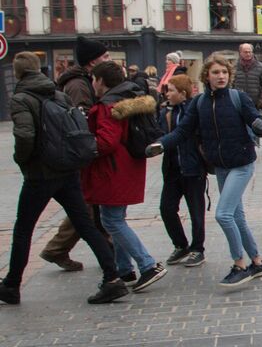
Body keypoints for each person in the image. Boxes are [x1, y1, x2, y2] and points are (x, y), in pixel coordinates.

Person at [1, 51, 129, 305]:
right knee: (85, 224)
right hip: (67, 169)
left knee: (24, 229)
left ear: (17, 73)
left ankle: (12, 285)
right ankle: (113, 277)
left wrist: (22, 159)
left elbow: (25, 136)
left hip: (41, 173)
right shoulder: (57, 93)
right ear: (38, 69)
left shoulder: (22, 98)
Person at [151, 53, 262, 290]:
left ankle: (239, 265)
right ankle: (257, 262)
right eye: (216, 73)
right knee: (237, 216)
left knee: (223, 215)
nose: (221, 76)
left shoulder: (238, 97)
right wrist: (162, 144)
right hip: (221, 166)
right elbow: (183, 131)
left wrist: (260, 125)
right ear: (207, 76)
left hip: (242, 164)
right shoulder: (200, 103)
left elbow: (256, 119)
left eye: (224, 72)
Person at [86, 61, 166, 292]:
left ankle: (147, 265)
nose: (92, 84)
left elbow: (107, 142)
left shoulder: (107, 106)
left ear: (101, 81)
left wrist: (86, 144)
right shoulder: (129, 99)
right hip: (127, 166)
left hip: (112, 170)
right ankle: (124, 268)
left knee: (111, 220)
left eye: (93, 79)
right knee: (115, 218)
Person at [40, 34, 110, 272]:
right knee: (85, 204)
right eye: (104, 56)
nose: (108, 59)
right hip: (78, 152)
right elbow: (81, 121)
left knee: (89, 203)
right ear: (92, 62)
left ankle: (102, 245)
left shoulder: (83, 80)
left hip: (78, 152)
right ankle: (57, 249)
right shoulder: (79, 85)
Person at [157, 74, 207, 268]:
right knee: (166, 208)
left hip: (193, 167)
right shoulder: (166, 113)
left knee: (196, 211)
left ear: (182, 93)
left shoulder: (194, 111)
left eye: (170, 90)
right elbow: (162, 134)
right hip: (172, 168)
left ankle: (198, 249)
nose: (167, 94)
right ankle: (180, 245)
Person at [232, 43, 262, 140]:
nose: (248, 54)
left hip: (254, 105)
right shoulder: (234, 67)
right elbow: (230, 84)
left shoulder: (260, 67)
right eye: (245, 52)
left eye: (250, 52)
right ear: (240, 53)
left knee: (253, 130)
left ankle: (252, 145)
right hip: (238, 104)